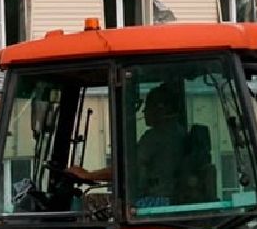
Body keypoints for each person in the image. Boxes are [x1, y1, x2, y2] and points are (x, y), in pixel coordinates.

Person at [64, 79, 196, 205]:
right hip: (169, 199)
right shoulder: (178, 131)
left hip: (157, 201)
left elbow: (128, 169)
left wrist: (88, 175)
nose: (144, 112)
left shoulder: (156, 137)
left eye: (148, 106)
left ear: (161, 109)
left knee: (92, 206)